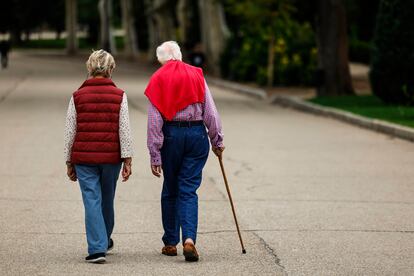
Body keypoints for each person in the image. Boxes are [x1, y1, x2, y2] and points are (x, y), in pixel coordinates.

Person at [145, 41, 225, 262]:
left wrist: (155, 152)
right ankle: (189, 239)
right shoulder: (196, 75)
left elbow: (154, 120)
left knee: (171, 188)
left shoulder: (158, 78)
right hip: (197, 135)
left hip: (171, 135)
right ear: (179, 55)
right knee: (188, 189)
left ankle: (171, 242)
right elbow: (210, 111)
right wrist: (216, 140)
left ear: (162, 59)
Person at [64, 49, 133, 263]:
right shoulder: (119, 95)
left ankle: (97, 247)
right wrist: (127, 158)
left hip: (84, 158)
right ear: (111, 69)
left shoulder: (77, 96)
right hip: (111, 158)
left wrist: (69, 160)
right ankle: (103, 239)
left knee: (91, 200)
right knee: (106, 199)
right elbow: (124, 129)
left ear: (89, 68)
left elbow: (70, 130)